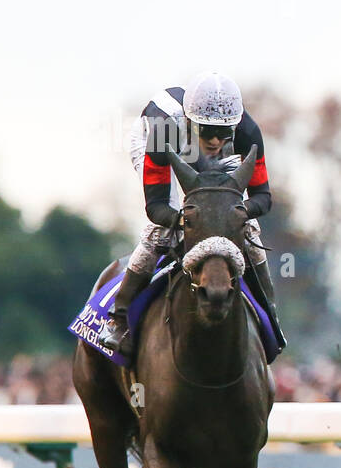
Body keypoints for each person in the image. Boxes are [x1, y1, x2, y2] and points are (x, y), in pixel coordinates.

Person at [98, 72, 286, 357]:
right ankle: (119, 317)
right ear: (189, 121)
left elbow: (263, 197)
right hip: (159, 144)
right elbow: (156, 206)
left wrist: (238, 213)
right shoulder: (163, 130)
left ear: (234, 126)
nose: (213, 140)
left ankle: (269, 314)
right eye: (206, 131)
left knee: (250, 229)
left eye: (223, 133)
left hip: (196, 148)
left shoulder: (248, 132)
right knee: (161, 231)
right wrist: (182, 220)